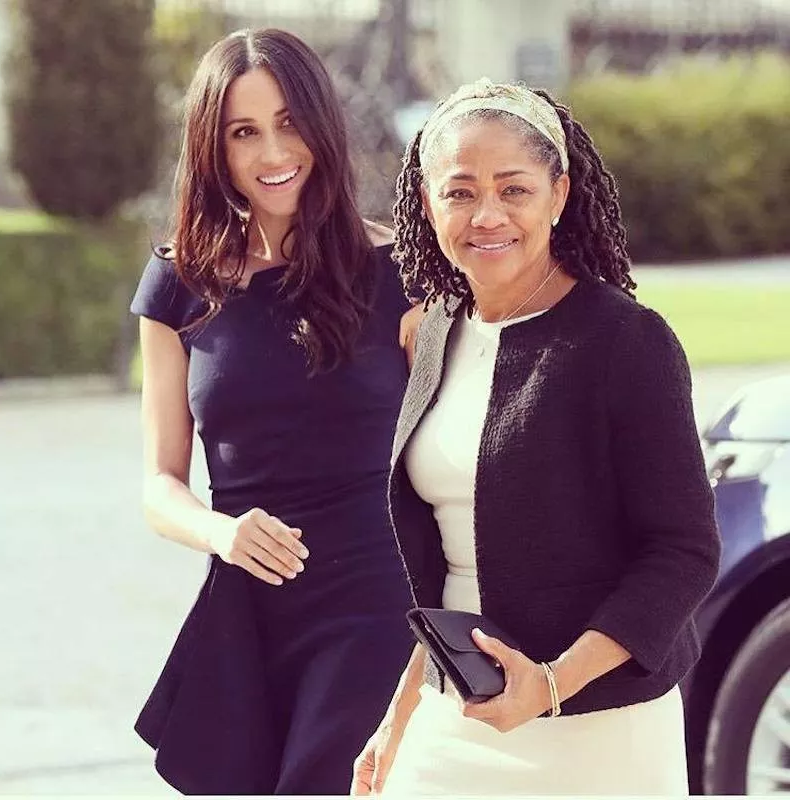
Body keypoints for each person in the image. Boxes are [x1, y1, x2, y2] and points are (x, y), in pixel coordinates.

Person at [352, 77, 721, 796]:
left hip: (596, 730)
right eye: (459, 192)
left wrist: (550, 685)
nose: (486, 214)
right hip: (455, 714)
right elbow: (452, 559)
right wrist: (399, 716)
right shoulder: (435, 333)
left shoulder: (626, 342)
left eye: (513, 189)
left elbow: (683, 552)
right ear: (427, 206)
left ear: (558, 194)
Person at [129, 28, 419, 795]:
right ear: (213, 147)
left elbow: (452, 453)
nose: (271, 152)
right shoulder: (177, 286)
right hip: (247, 608)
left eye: (289, 122)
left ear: (320, 124)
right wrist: (221, 532)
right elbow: (160, 482)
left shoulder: (399, 276)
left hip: (376, 604)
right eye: (243, 132)